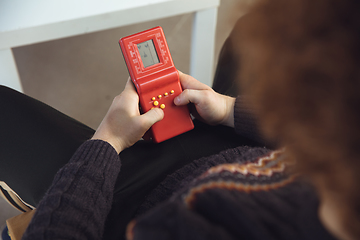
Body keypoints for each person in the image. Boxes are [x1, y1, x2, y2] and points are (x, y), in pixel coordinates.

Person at [1, 0, 359, 239]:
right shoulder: (338, 153)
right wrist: (229, 111)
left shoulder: (181, 228)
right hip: (239, 148)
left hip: (129, 196)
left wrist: (106, 142)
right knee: (246, 34)